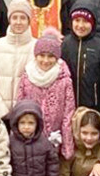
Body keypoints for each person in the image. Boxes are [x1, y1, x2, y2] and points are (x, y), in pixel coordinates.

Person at [15, 30, 77, 161]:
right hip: (30, 138)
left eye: (50, 56)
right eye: (41, 55)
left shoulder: (64, 80)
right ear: (36, 56)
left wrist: (67, 146)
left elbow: (68, 114)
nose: (45, 60)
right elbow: (19, 109)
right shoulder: (27, 77)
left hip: (54, 139)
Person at [0, 0, 37, 117]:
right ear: (9, 19)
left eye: (23, 18)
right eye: (14, 17)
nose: (18, 22)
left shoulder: (36, 48)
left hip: (26, 118)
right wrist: (0, 109)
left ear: (29, 20)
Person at [62, 7, 100, 115]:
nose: (81, 26)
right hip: (69, 107)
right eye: (77, 20)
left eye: (86, 21)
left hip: (93, 108)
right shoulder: (65, 44)